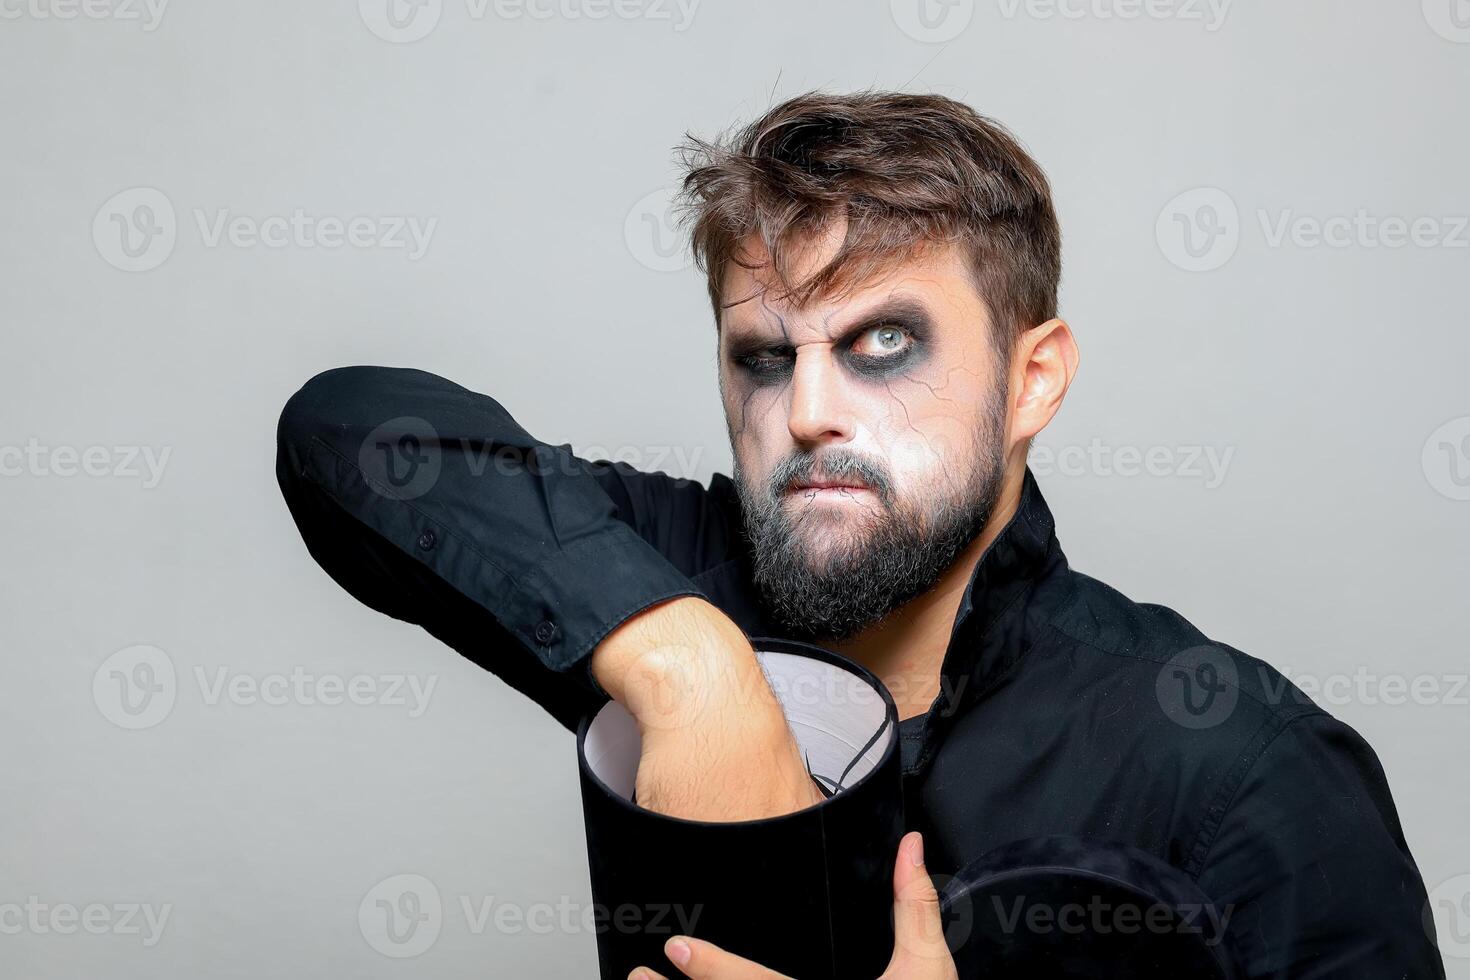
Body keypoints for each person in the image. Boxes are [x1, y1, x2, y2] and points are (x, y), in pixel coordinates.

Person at [275, 90, 1443, 978]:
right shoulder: (674, 579)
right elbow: (350, 426)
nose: (808, 407)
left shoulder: (1243, 765)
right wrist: (694, 674)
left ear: (1033, 379)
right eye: (764, 357)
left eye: (884, 342)